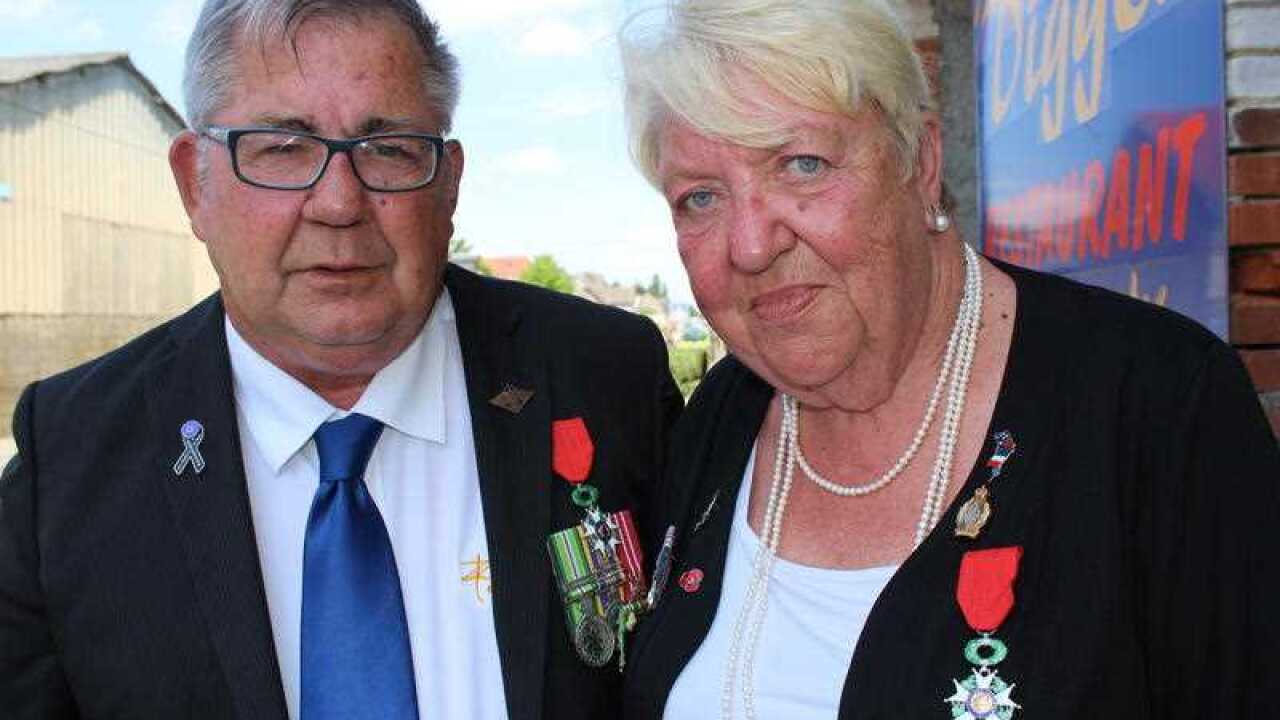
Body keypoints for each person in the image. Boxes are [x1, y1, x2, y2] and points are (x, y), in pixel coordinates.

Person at [0, 1, 682, 718]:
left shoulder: (608, 378)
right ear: (194, 184)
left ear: (447, 182)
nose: (338, 202)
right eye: (281, 148)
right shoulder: (72, 457)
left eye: (387, 149)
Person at [616, 1, 1280, 718]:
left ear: (921, 162)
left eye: (801, 164)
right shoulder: (722, 417)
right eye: (701, 197)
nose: (751, 244)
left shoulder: (1157, 402)